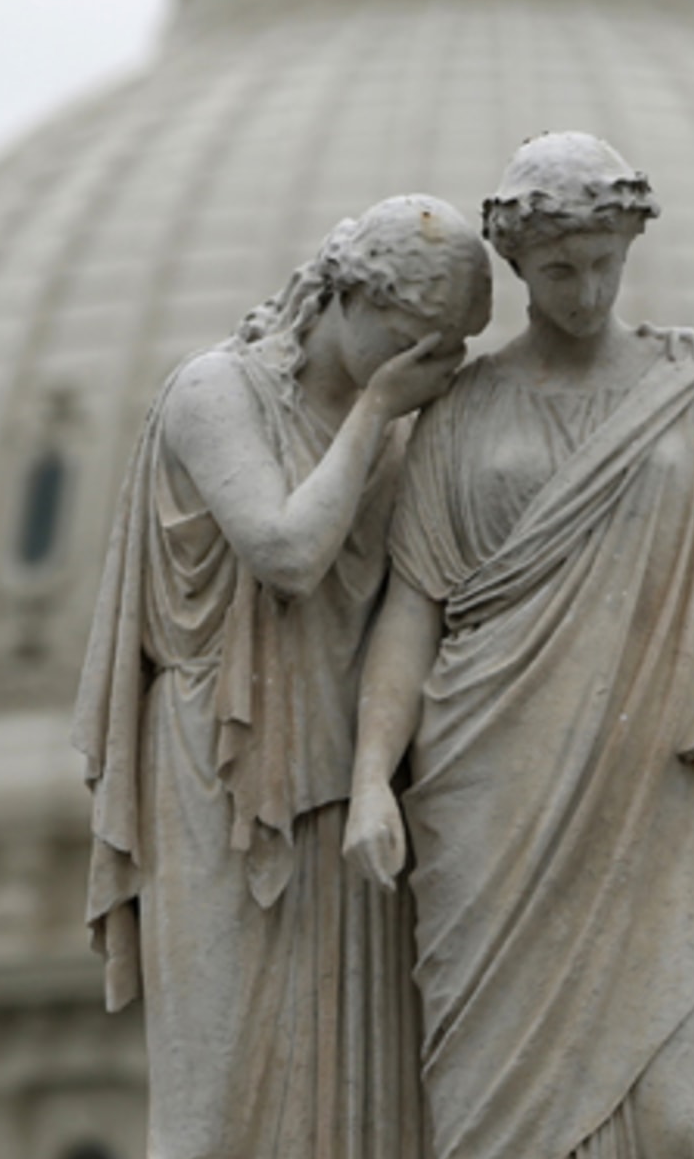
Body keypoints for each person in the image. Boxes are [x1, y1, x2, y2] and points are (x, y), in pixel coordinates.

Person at [344, 135, 694, 1159]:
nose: (586, 289)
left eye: (604, 262)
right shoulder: (461, 410)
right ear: (515, 265)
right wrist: (374, 777)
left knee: (684, 1120)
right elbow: (412, 611)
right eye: (559, 269)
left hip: (668, 793)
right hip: (493, 798)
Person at [73, 195, 492, 1159]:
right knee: (220, 1094)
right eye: (417, 336)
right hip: (223, 761)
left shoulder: (400, 430)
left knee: (352, 1094)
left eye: (454, 346)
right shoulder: (215, 391)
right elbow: (287, 552)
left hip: (348, 772)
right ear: (348, 295)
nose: (437, 366)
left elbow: (421, 601)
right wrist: (381, 409)